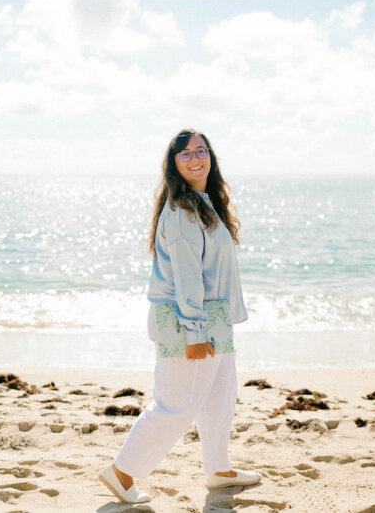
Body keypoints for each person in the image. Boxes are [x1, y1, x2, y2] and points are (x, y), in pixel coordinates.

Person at [98, 128, 259, 504]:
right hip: (188, 320)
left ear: (211, 158)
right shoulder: (184, 210)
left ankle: (219, 468)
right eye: (185, 154)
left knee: (220, 394)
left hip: (214, 316)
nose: (195, 158)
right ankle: (122, 472)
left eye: (201, 151)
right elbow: (187, 278)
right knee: (176, 403)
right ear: (173, 164)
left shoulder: (204, 202)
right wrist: (195, 330)